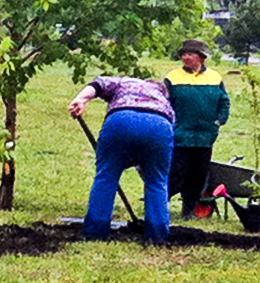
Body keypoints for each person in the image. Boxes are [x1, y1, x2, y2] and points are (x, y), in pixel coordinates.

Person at [69, 75, 173, 244]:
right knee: (156, 181)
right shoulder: (164, 99)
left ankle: (96, 232)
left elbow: (98, 84)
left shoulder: (124, 82)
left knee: (107, 177)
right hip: (159, 125)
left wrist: (80, 99)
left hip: (121, 121)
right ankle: (158, 235)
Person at [165, 39, 231, 219]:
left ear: (201, 57)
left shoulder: (215, 78)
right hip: (180, 134)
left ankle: (189, 210)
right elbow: (164, 102)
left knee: (198, 175)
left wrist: (218, 121)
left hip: (205, 136)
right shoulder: (173, 77)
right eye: (183, 54)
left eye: (190, 54)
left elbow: (224, 102)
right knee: (176, 172)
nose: (185, 57)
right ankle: (159, 206)